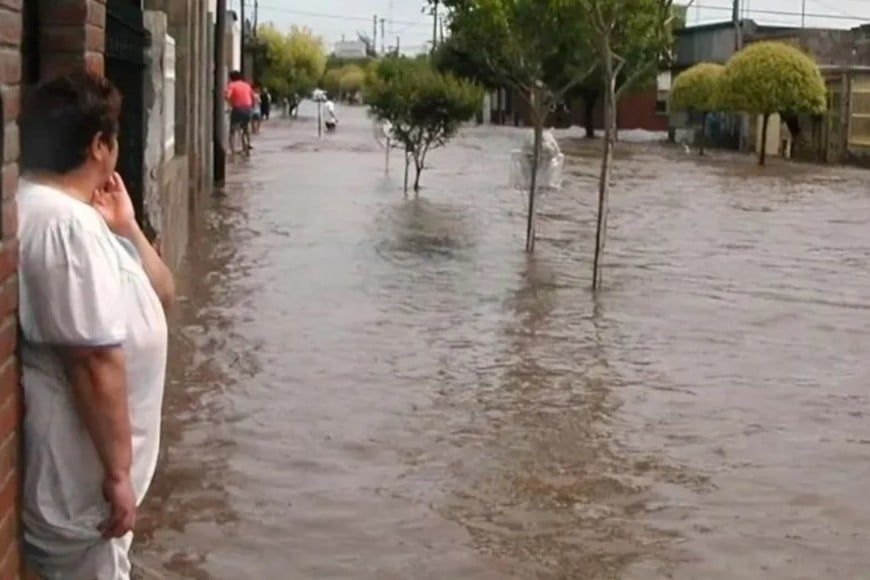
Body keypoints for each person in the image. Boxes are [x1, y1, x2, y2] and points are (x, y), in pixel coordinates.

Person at [18, 70, 174, 579]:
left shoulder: (83, 218)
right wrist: (118, 474)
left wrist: (125, 223)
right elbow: (92, 360)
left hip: (92, 494)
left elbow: (163, 294)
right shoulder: (64, 226)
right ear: (99, 147)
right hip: (83, 494)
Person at [225, 70, 254, 155]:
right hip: (248, 108)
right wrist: (252, 107)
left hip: (238, 108)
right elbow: (252, 97)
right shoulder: (246, 85)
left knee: (232, 130)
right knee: (245, 128)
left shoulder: (232, 85)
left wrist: (230, 103)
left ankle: (232, 150)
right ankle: (247, 145)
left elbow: (227, 96)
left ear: (231, 78)